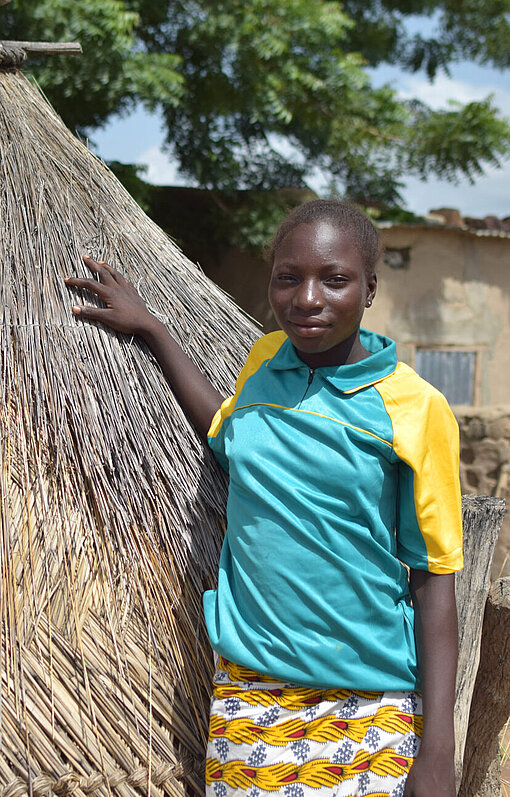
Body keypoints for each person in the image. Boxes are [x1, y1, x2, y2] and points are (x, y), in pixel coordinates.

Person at [65, 199, 462, 797]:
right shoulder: (262, 365)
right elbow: (228, 431)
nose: (307, 299)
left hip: (367, 696)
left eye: (334, 280)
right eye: (288, 277)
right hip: (251, 689)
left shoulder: (415, 408)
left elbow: (435, 582)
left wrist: (437, 753)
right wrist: (153, 330)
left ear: (370, 288)